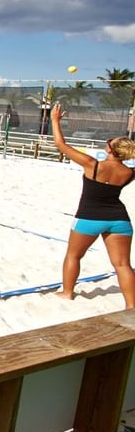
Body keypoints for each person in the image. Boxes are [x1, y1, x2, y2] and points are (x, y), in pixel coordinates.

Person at [51, 103, 135, 309]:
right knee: (123, 265)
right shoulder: (129, 173)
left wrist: (55, 120)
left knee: (73, 255)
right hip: (119, 220)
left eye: (109, 141)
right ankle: (131, 306)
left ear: (110, 149)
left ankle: (67, 292)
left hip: (89, 218)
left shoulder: (92, 164)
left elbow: (61, 145)